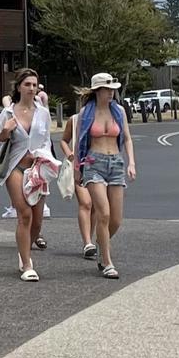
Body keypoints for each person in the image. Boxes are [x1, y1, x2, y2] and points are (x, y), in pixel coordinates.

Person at [0, 68, 55, 281]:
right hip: (15, 168)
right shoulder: (7, 113)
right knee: (25, 214)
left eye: (34, 85)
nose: (31, 88)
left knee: (37, 221)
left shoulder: (43, 113)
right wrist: (5, 131)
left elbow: (47, 140)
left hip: (37, 168)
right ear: (19, 87)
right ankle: (27, 264)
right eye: (27, 84)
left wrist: (46, 160)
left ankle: (24, 251)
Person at [75, 73, 136, 279]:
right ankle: (107, 261)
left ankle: (102, 245)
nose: (111, 93)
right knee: (104, 213)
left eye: (113, 89)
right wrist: (77, 168)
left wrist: (131, 163)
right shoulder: (86, 113)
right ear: (97, 91)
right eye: (107, 89)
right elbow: (79, 142)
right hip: (94, 163)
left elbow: (126, 138)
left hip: (116, 163)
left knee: (116, 219)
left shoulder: (118, 111)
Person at [61, 110, 98, 259]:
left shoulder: (102, 117)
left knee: (96, 205)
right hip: (79, 165)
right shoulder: (75, 119)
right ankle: (87, 242)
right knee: (86, 203)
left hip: (98, 165)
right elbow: (64, 140)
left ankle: (90, 238)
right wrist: (69, 153)